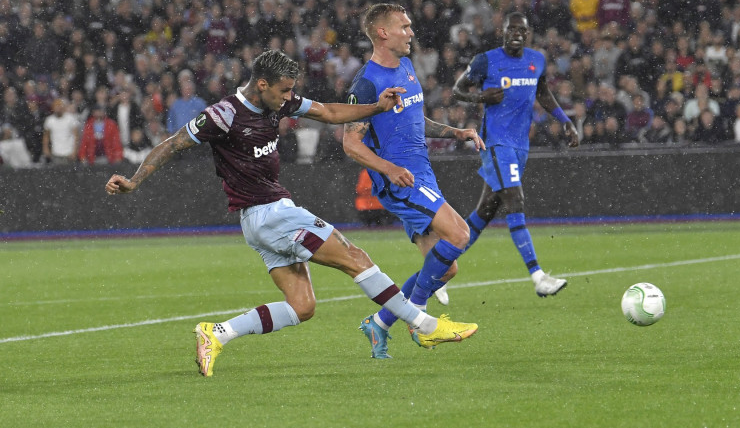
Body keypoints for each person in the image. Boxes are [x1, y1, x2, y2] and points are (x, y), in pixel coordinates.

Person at [104, 50, 478, 377]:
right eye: (283, 90)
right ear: (261, 84)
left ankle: (217, 333)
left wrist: (377, 108)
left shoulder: (277, 102)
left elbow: (330, 112)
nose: (288, 98)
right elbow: (173, 144)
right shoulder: (223, 115)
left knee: (302, 307)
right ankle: (423, 324)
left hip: (260, 220)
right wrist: (135, 181)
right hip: (270, 214)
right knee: (355, 258)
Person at [342, 4, 486, 359]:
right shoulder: (366, 83)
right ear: (382, 33)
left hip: (422, 175)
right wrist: (389, 170)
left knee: (445, 267)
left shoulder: (405, 67)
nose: (410, 32)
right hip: (401, 181)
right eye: (403, 27)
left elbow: (414, 117)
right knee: (460, 234)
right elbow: (350, 142)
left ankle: (380, 322)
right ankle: (420, 322)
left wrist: (455, 132)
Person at [452, 11, 579, 299]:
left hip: (520, 145)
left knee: (484, 212)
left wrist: (566, 121)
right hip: (496, 142)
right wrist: (481, 97)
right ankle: (538, 276)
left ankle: (439, 269)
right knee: (515, 200)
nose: (516, 34)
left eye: (522, 30)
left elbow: (543, 93)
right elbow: (457, 90)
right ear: (504, 32)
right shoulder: (487, 60)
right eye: (511, 29)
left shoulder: (537, 60)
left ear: (528, 33)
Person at [42, 98, 81, 165]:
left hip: (69, 152)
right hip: (56, 153)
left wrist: (75, 151)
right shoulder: (50, 120)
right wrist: (46, 149)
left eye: (59, 106)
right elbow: (46, 137)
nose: (58, 108)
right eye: (56, 106)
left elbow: (76, 136)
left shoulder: (70, 118)